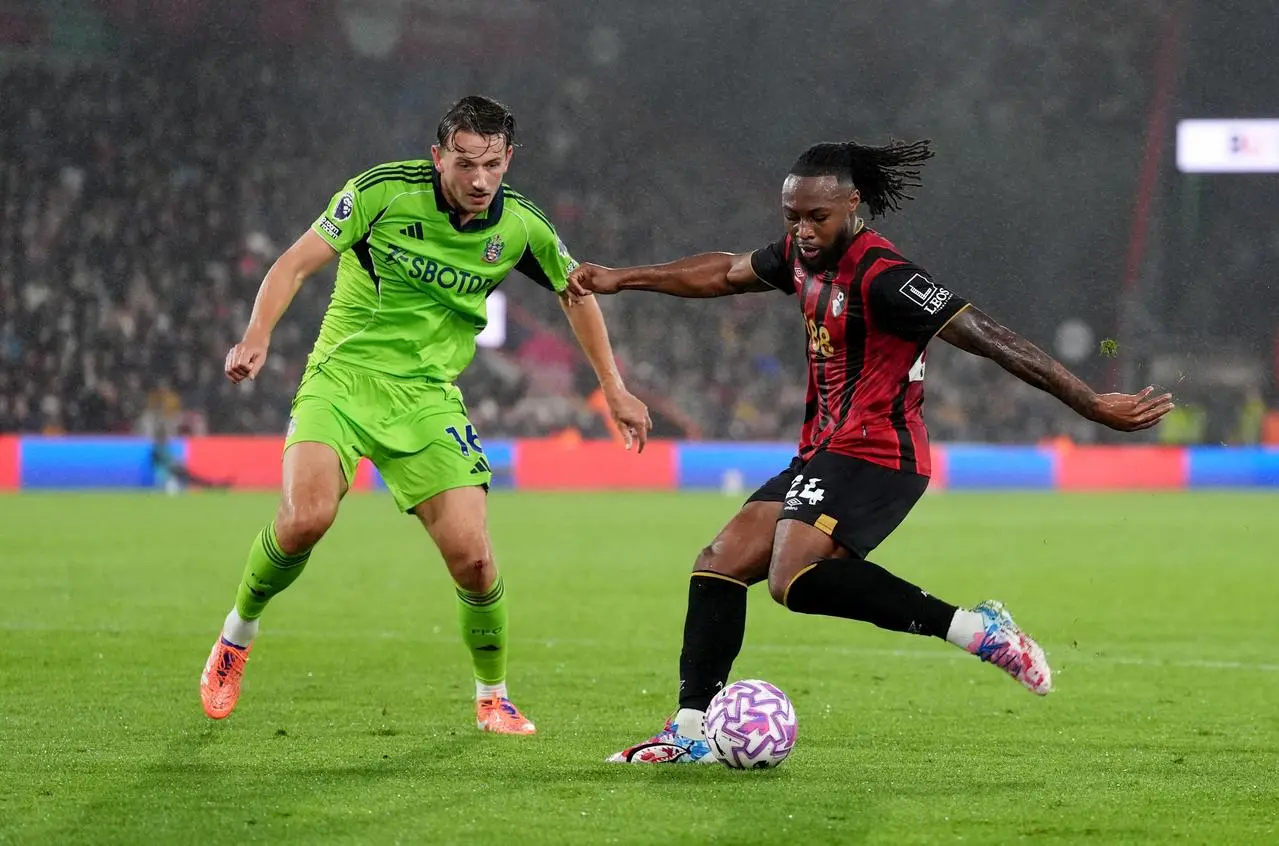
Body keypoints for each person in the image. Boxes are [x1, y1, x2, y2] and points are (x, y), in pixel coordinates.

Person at [568, 139, 1173, 763]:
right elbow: (723, 272)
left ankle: (977, 630)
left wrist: (1089, 402)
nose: (803, 231)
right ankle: (691, 732)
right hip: (824, 451)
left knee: (790, 577)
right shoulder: (799, 256)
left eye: (817, 217)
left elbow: (989, 336)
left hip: (882, 454)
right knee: (719, 562)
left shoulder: (887, 276)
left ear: (853, 204)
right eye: (792, 217)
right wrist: (621, 278)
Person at [200, 95, 651, 735]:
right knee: (305, 519)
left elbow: (575, 293)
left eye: (492, 164)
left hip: (428, 398)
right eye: (465, 163)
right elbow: (294, 263)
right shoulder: (382, 193)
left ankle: (493, 698)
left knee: (475, 561)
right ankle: (235, 637)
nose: (479, 179)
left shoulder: (521, 227)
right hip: (343, 382)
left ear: (509, 159)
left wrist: (613, 386)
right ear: (438, 156)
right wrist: (257, 335)